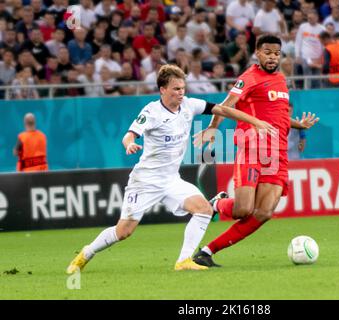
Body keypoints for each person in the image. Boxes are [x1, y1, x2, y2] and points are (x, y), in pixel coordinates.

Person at [66, 64, 276, 273]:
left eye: (183, 88)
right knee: (123, 231)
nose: (181, 92)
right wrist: (129, 144)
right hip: (145, 180)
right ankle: (87, 253)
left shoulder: (189, 105)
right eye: (176, 88)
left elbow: (221, 109)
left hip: (171, 180)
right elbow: (129, 135)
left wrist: (254, 121)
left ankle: (184, 261)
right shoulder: (151, 111)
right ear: (162, 90)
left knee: (203, 209)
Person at [191, 35, 318, 267]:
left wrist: (299, 125)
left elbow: (276, 116)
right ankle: (217, 204)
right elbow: (225, 105)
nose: (272, 57)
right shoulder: (248, 78)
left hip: (278, 154)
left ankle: (207, 252)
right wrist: (212, 128)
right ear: (257, 53)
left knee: (264, 212)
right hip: (253, 148)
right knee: (242, 210)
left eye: (276, 53)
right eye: (267, 52)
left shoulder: (280, 79)